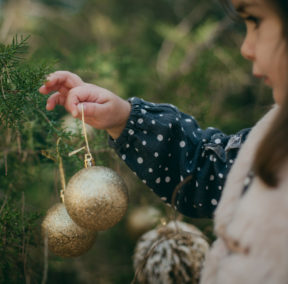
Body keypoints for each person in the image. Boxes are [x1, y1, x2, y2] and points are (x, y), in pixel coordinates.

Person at [39, 0, 288, 282]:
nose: (246, 48)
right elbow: (203, 170)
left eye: (255, 20)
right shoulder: (275, 139)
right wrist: (124, 118)